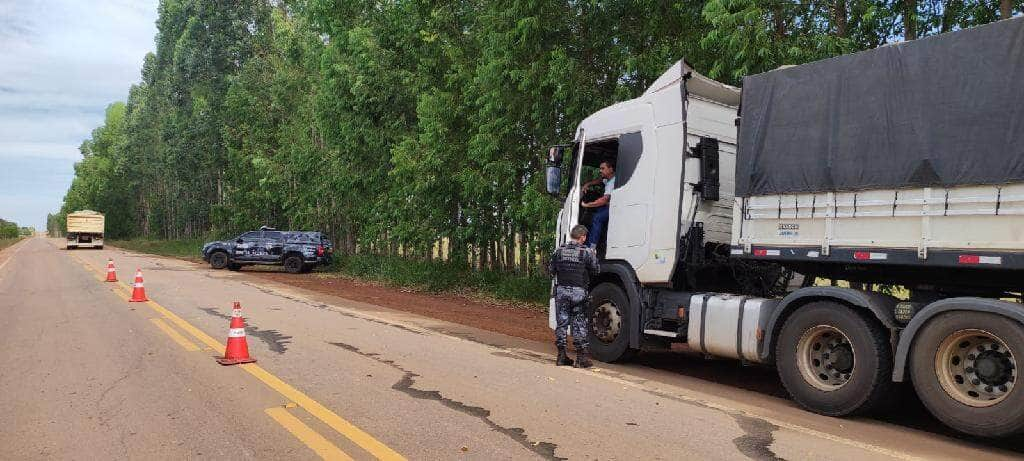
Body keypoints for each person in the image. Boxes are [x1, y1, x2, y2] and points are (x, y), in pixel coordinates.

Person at [548, 224, 600, 367]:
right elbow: (596, 270)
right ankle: (581, 359)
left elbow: (551, 271)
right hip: (578, 293)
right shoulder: (587, 252)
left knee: (562, 324)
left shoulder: (558, 251)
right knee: (579, 324)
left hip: (562, 292)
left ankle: (561, 356)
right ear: (582, 237)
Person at [581, 159, 615, 249]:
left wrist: (587, 205)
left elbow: (604, 200)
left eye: (603, 168)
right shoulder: (608, 179)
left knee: (597, 218)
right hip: (607, 206)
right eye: (600, 169)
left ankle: (592, 247)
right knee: (594, 213)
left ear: (610, 169)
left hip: (613, 208)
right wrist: (588, 184)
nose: (600, 171)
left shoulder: (612, 183)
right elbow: (600, 181)